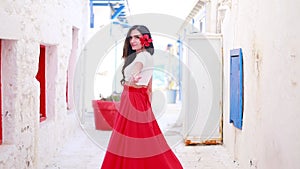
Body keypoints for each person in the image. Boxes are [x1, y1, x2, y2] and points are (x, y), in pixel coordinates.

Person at [100, 25, 183, 169]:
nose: (133, 40)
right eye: (131, 37)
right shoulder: (142, 56)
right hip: (134, 99)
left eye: (137, 37)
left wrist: (134, 76)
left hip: (134, 100)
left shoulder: (142, 56)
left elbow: (137, 70)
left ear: (145, 39)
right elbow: (149, 86)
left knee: (134, 139)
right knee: (137, 139)